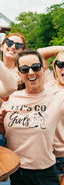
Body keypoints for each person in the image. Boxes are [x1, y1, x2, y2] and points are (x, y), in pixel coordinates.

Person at [0, 50, 64, 185]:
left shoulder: (57, 97)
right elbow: (1, 127)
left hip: (45, 172)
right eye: (25, 69)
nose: (31, 72)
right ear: (19, 74)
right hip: (15, 171)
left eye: (35, 67)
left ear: (44, 70)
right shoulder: (11, 97)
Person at [50, 51, 64, 180]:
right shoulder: (47, 86)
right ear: (55, 67)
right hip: (46, 155)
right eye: (61, 64)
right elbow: (40, 53)